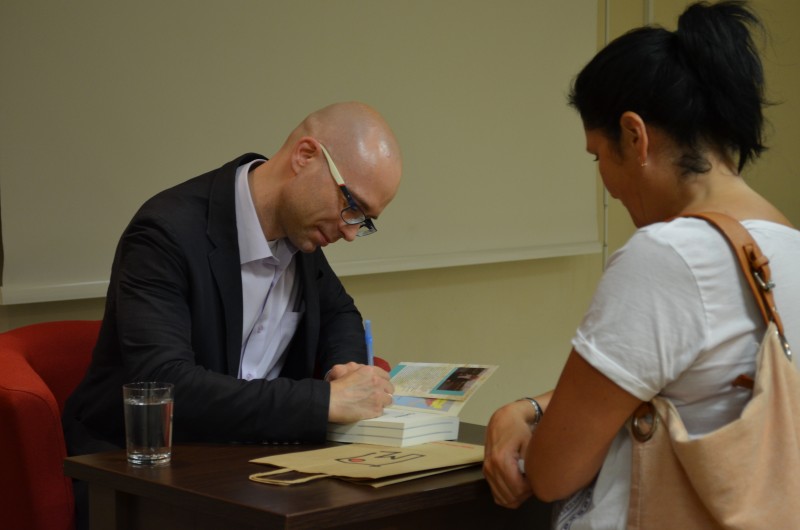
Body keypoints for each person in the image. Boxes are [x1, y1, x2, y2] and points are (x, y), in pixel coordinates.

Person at [483, 2, 800, 528]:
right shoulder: (789, 248)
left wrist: (521, 419)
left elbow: (553, 473)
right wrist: (533, 406)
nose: (604, 182)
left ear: (635, 137)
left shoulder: (669, 256)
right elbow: (687, 382)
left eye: (597, 156)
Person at [63, 101, 401, 458]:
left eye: (363, 220)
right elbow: (165, 383)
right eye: (352, 206)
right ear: (305, 156)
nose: (350, 233)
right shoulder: (165, 233)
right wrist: (324, 401)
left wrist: (345, 371)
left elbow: (339, 314)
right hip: (144, 459)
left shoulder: (302, 237)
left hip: (254, 457)